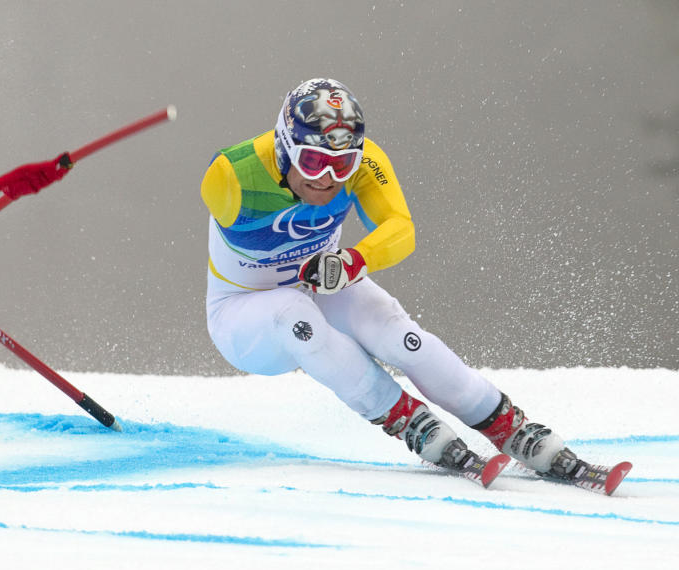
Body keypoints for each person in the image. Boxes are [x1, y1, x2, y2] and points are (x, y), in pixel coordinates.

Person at [200, 77, 581, 477]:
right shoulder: (231, 176)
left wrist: (354, 260)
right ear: (283, 146)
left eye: (341, 164)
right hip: (242, 315)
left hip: (323, 280)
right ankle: (409, 420)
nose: (327, 177)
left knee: (398, 336)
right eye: (313, 161)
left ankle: (509, 426)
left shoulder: (367, 162)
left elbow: (401, 228)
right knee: (294, 313)